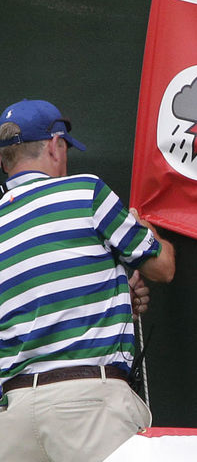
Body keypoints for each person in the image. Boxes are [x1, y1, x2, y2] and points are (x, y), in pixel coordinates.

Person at [0, 99, 176, 462]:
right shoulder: (84, 192)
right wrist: (146, 229)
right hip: (89, 406)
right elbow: (163, 267)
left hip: (13, 415)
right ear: (53, 144)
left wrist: (113, 298)